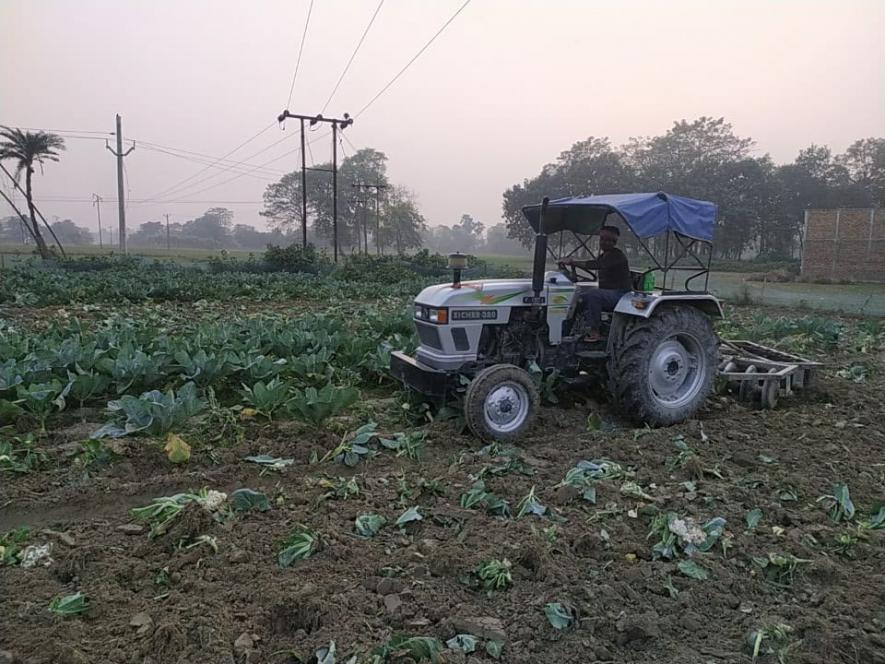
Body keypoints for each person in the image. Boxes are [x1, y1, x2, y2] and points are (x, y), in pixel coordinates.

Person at [561, 225, 632, 342]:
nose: (604, 242)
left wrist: (573, 262)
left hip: (621, 294)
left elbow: (596, 265)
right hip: (609, 293)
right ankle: (566, 330)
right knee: (577, 298)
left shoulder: (617, 255)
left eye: (609, 240)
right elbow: (596, 264)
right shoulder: (603, 256)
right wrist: (572, 268)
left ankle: (594, 332)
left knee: (594, 295)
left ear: (614, 242)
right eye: (602, 239)